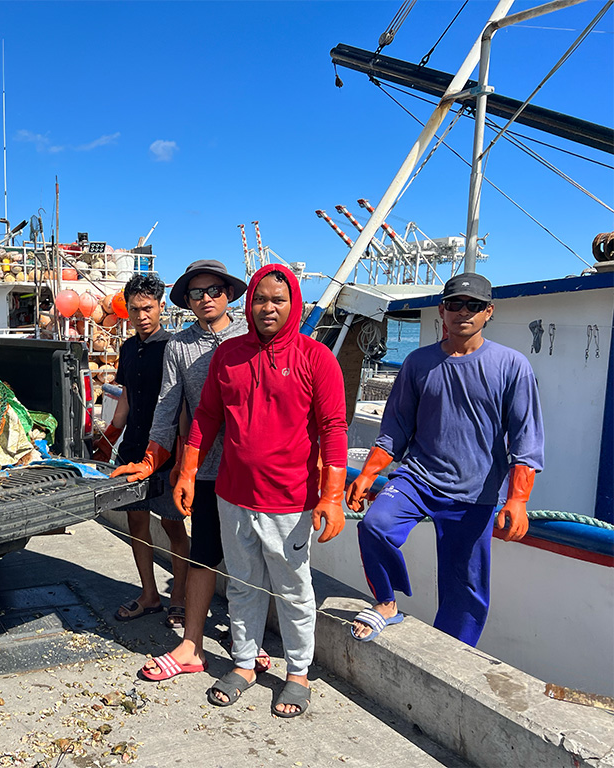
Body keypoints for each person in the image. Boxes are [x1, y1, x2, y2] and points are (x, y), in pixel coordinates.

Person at [172, 263, 347, 717]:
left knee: (293, 590)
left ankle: (298, 674)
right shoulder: (229, 356)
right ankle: (245, 664)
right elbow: (206, 417)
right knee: (244, 586)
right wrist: (188, 472)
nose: (268, 308)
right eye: (260, 299)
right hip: (233, 495)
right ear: (248, 303)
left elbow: (333, 429)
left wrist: (331, 495)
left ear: (295, 304)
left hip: (290, 501)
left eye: (278, 300)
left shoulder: (316, 358)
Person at [346, 272, 543, 647]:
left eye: (473, 305)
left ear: (489, 312)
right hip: (417, 480)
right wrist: (368, 474)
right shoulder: (418, 363)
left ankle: (450, 651)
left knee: (465, 587)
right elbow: (395, 430)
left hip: (475, 493)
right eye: (454, 303)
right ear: (442, 310)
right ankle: (387, 604)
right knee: (375, 525)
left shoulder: (512, 366)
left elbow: (526, 440)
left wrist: (518, 500)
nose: (462, 311)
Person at [112, 260, 255, 675]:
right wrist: (153, 458)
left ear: (229, 293)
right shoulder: (179, 346)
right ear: (187, 301)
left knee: (252, 555)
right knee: (206, 555)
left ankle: (247, 639)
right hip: (204, 466)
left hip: (251, 468)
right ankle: (190, 642)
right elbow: (168, 406)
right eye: (196, 293)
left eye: (213, 290)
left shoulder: (249, 336)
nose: (205, 298)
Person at [94, 274, 191, 626]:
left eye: (147, 308)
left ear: (160, 306)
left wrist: (182, 462)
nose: (141, 316)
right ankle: (149, 594)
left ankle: (178, 597)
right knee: (136, 523)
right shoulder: (127, 349)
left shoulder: (174, 348)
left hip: (167, 453)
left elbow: (181, 407)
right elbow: (126, 401)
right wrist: (106, 442)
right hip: (132, 450)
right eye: (134, 310)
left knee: (174, 525)